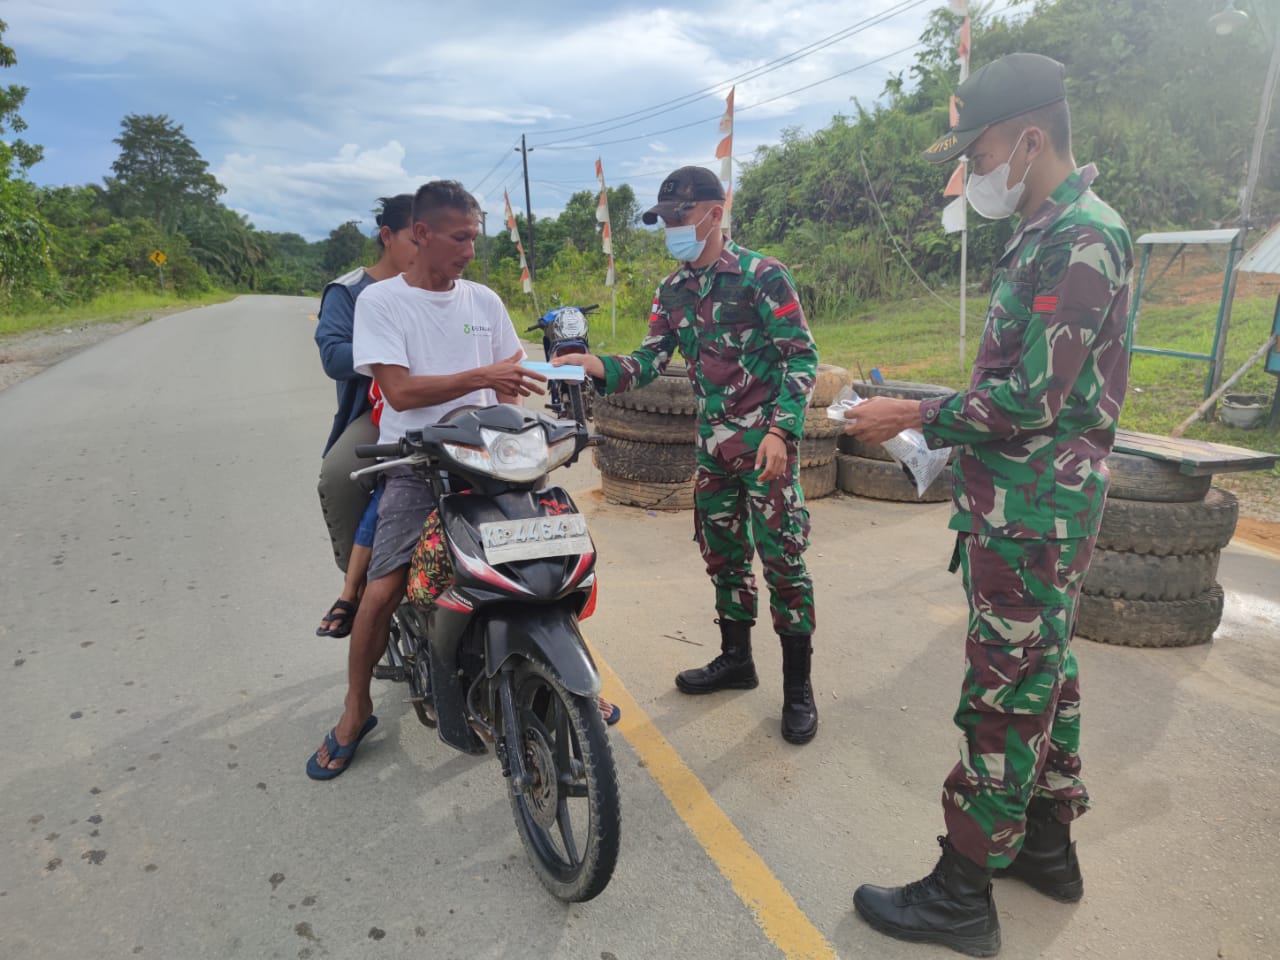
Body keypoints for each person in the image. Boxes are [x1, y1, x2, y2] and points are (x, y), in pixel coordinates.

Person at [843, 53, 1133, 956]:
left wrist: (912, 413)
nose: (970, 170)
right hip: (1021, 510)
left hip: (1036, 512)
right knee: (1045, 670)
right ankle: (1046, 844)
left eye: (981, 148)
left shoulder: (1080, 238)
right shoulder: (1044, 230)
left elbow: (1032, 402)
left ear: (1031, 138)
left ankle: (961, 891)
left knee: (1005, 689)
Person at [553, 165, 821, 745]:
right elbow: (649, 361)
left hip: (765, 450)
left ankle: (798, 688)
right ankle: (736, 660)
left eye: (680, 217)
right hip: (712, 452)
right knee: (722, 557)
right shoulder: (672, 290)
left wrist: (782, 433)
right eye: (664, 220)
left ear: (714, 213)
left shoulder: (761, 276)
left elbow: (801, 358)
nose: (672, 227)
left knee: (783, 563)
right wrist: (596, 365)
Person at [307, 180, 548, 779]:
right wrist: (482, 375)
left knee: (549, 553)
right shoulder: (381, 302)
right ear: (421, 233)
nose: (471, 248)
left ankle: (570, 681)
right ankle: (355, 707)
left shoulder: (485, 300)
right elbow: (400, 391)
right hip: (420, 461)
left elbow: (510, 380)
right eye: (460, 236)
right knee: (383, 590)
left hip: (491, 456)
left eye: (475, 235)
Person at [314, 194, 416, 638]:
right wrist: (388, 356)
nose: (426, 248)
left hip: (444, 406)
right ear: (388, 236)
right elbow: (334, 355)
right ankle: (354, 582)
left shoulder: (439, 283)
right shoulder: (351, 291)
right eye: (417, 238)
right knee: (341, 475)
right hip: (378, 409)